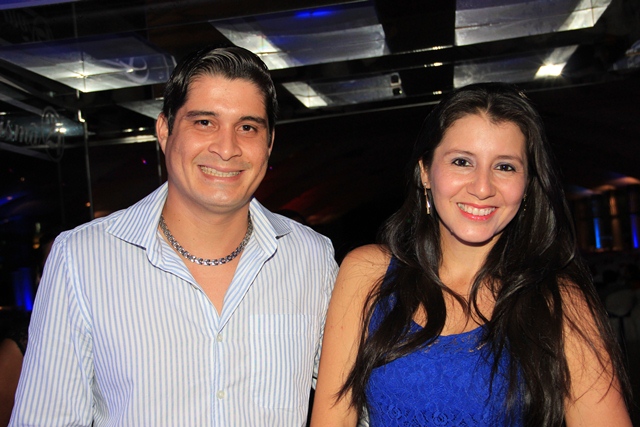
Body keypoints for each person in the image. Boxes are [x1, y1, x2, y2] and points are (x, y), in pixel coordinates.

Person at [9, 46, 337, 426]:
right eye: (204, 122)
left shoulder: (311, 258)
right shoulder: (81, 258)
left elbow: (354, 401)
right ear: (164, 131)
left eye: (247, 127)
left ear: (269, 143)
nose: (226, 148)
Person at [310, 82, 632, 427]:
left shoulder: (559, 302)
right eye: (462, 162)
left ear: (527, 185)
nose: (482, 188)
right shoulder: (367, 272)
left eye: (505, 167)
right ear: (425, 172)